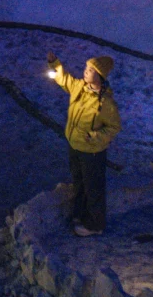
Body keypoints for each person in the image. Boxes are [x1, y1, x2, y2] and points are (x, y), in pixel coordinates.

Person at [47, 52, 122, 236]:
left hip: (92, 152)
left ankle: (95, 225)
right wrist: (54, 63)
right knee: (79, 183)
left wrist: (94, 137)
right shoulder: (80, 87)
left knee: (93, 187)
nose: (85, 72)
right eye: (86, 68)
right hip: (75, 146)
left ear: (100, 76)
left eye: (90, 70)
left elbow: (114, 127)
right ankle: (80, 215)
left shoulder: (105, 103)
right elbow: (63, 79)